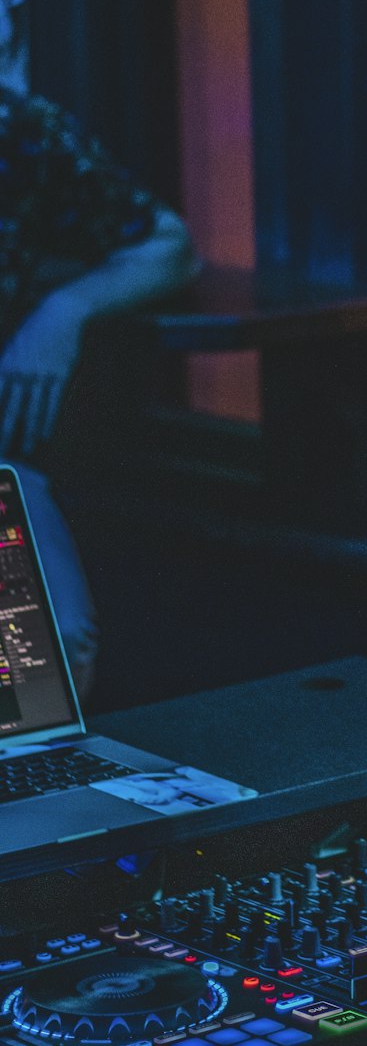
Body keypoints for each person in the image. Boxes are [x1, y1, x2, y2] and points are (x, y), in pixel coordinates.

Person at [0, 89, 199, 701]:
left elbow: (169, 245)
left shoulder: (19, 129)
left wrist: (67, 309)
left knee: (48, 651)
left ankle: (36, 790)